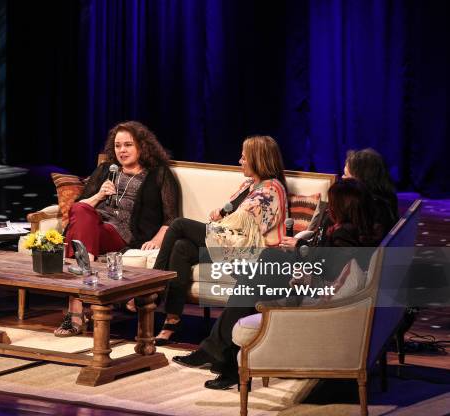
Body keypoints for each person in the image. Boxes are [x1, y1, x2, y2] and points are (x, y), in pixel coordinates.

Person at [173, 178, 385, 390]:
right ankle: (223, 357)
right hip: (303, 273)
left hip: (307, 282)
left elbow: (329, 268)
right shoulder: (345, 226)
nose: (329, 207)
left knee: (261, 267)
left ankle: (220, 355)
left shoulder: (344, 232)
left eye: (333, 203)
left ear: (345, 207)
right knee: (255, 276)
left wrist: (302, 248)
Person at [153, 135, 288, 345]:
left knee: (179, 225)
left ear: (257, 159)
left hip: (249, 253)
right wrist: (220, 214)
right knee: (181, 247)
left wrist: (219, 222)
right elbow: (231, 215)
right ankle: (172, 319)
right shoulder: (248, 185)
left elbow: (245, 227)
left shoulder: (271, 190)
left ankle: (153, 285)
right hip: (229, 246)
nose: (240, 161)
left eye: (244, 158)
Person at [55, 121, 179, 336]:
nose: (122, 151)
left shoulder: (159, 174)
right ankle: (83, 286)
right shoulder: (105, 170)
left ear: (142, 146)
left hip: (124, 234)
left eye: (128, 145)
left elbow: (171, 217)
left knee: (81, 223)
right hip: (96, 226)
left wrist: (158, 239)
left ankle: (75, 312)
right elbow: (79, 207)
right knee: (82, 213)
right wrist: (100, 195)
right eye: (118, 146)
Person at [343, 148, 398, 231]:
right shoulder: (386, 200)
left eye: (346, 175)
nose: (342, 178)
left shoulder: (369, 210)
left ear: (361, 179)